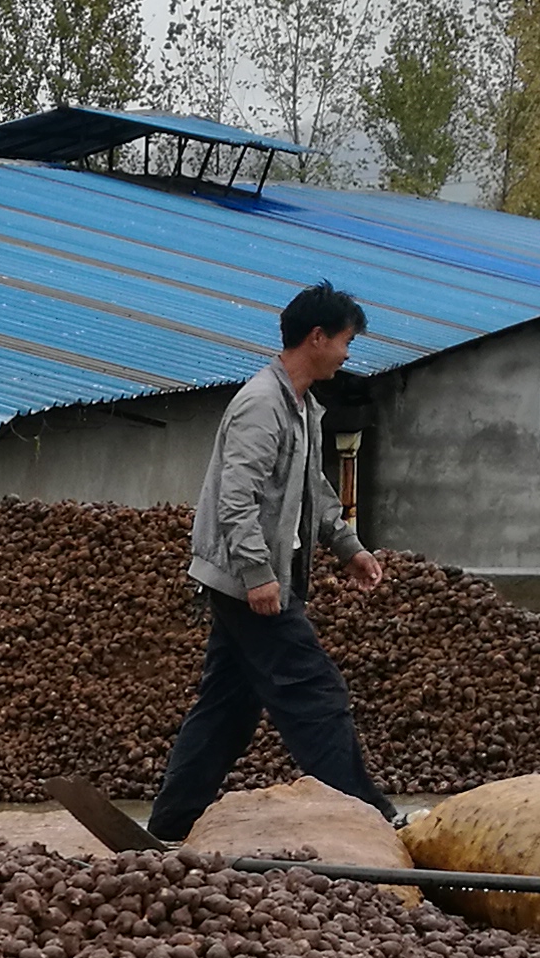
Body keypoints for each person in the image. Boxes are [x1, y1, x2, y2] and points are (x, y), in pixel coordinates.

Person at [145, 282, 392, 841]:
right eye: (346, 341)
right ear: (317, 337)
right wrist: (258, 574)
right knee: (316, 692)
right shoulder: (263, 404)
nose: (348, 354)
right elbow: (237, 498)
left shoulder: (300, 406)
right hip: (247, 583)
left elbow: (313, 489)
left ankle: (170, 824)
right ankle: (368, 816)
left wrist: (348, 547)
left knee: (227, 709)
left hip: (252, 578)